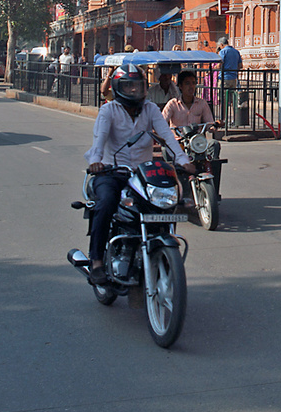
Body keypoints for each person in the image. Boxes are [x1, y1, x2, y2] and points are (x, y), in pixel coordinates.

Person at [84, 65, 195, 284]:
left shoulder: (150, 109)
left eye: (138, 86)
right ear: (118, 88)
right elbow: (99, 140)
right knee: (105, 203)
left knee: (166, 202)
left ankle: (163, 243)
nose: (134, 90)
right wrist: (96, 162)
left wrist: (183, 161)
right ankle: (96, 260)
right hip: (112, 171)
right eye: (129, 86)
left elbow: (167, 137)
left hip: (143, 174)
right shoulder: (109, 110)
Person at [163, 70, 222, 184]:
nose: (191, 86)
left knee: (214, 144)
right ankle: (172, 184)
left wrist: (216, 125)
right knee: (166, 150)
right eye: (187, 83)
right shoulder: (173, 104)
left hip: (197, 143)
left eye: (193, 83)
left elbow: (209, 124)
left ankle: (212, 184)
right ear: (180, 86)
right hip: (179, 143)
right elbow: (161, 122)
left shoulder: (202, 103)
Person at [217, 36, 243, 123]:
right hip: (234, 78)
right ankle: (235, 119)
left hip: (224, 78)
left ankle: (223, 119)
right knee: (233, 100)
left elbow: (219, 65)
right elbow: (240, 66)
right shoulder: (236, 52)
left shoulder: (223, 51)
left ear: (221, 44)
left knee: (223, 100)